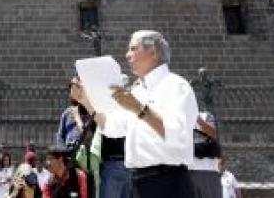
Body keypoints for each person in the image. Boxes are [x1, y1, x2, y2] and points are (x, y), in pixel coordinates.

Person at [73, 30, 198, 198]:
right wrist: (86, 101)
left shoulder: (176, 86)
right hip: (138, 183)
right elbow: (111, 127)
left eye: (133, 49)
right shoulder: (137, 91)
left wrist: (138, 108)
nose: (127, 55)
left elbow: (176, 133)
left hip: (168, 182)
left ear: (153, 52)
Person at [189, 112, 222, 198]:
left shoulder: (206, 115)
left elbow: (213, 133)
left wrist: (197, 120)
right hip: (189, 170)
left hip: (208, 170)